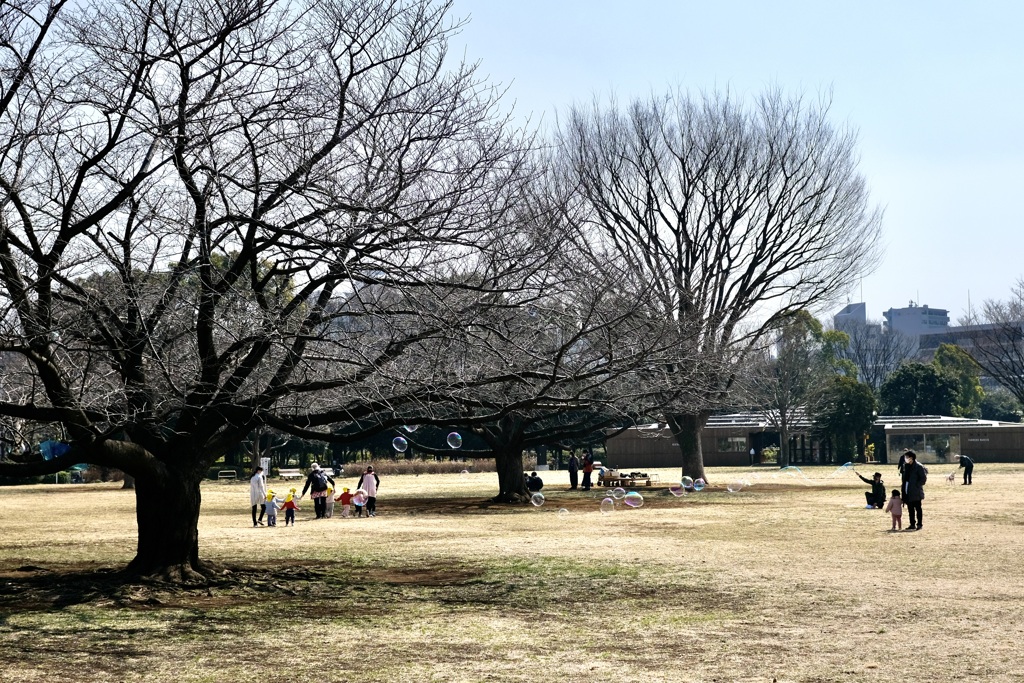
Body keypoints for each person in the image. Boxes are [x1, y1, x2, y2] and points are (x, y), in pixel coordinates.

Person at [900, 450, 927, 531]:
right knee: (910, 508)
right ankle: (912, 524)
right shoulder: (906, 466)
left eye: (907, 457)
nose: (906, 459)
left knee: (918, 508)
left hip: (916, 491)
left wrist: (916, 485)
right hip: (907, 489)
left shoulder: (919, 466)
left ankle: (919, 524)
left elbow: (923, 479)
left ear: (911, 458)